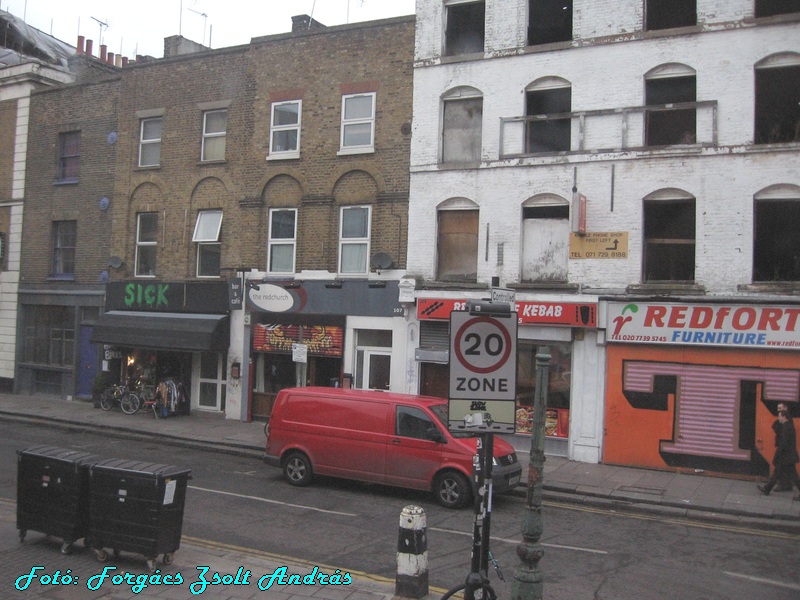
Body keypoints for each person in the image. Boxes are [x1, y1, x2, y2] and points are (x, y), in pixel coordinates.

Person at [758, 409, 800, 499]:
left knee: (789, 475)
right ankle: (767, 489)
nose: (778, 418)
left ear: (784, 417)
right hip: (788, 456)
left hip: (786, 456)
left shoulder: (787, 427)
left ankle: (767, 489)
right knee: (780, 473)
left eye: (779, 416)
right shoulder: (787, 425)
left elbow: (783, 443)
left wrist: (778, 454)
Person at [772, 402, 794, 492]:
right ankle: (786, 484)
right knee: (786, 468)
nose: (778, 410)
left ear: (785, 408)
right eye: (778, 408)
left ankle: (781, 484)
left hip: (784, 448)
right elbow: (774, 425)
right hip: (784, 447)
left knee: (778, 464)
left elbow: (777, 428)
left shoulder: (786, 420)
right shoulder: (782, 419)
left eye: (780, 408)